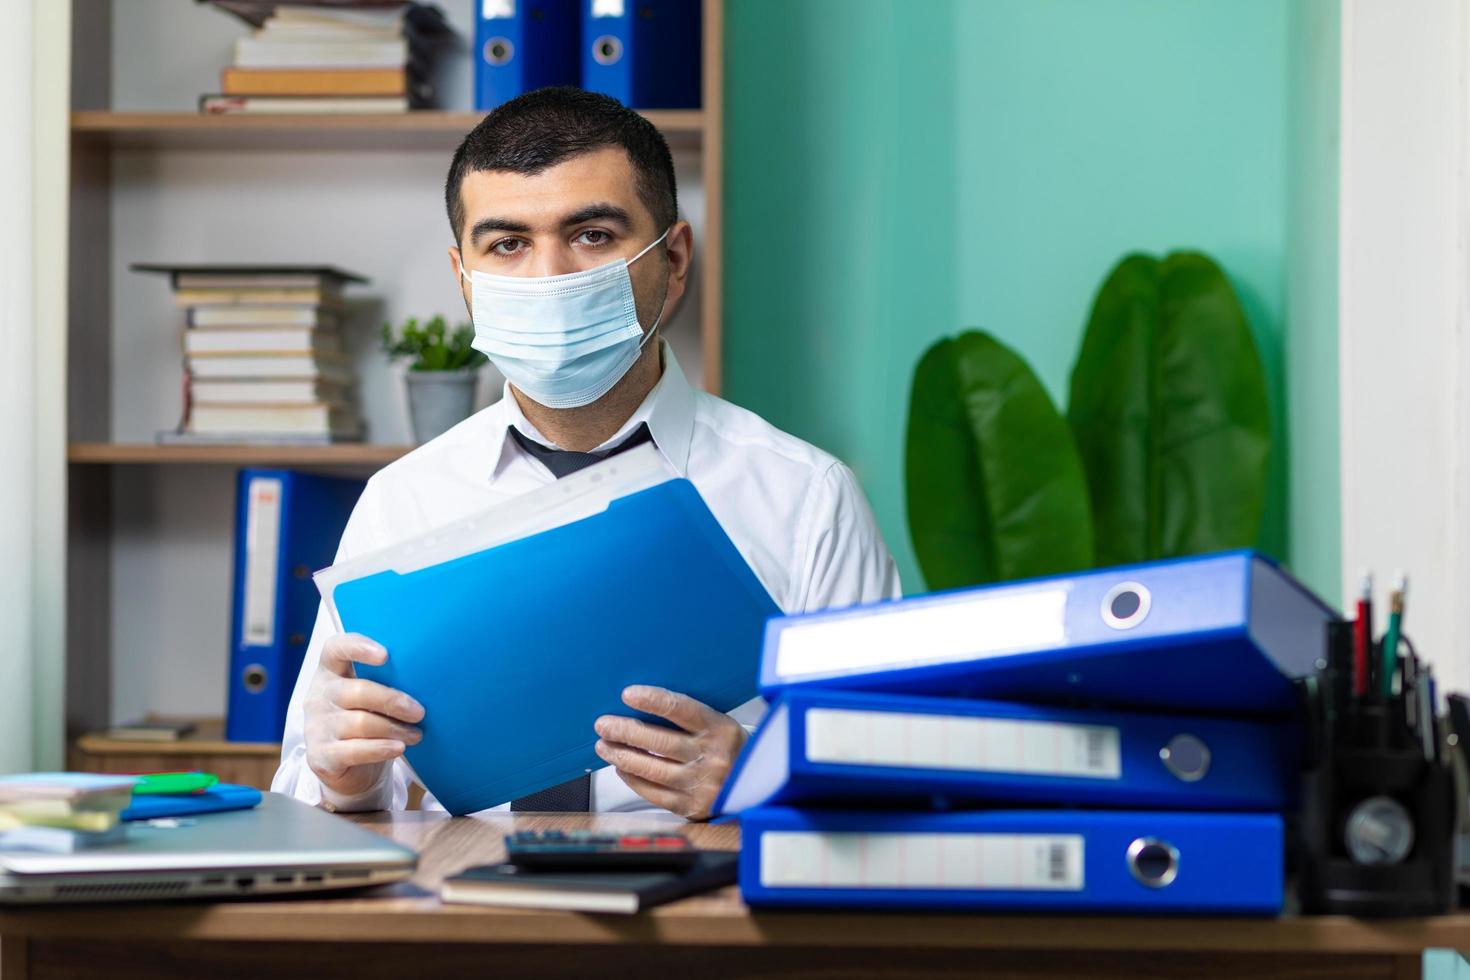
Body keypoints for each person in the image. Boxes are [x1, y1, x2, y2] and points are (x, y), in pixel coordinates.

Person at [272, 87, 899, 820]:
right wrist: (343, 777)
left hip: (706, 918)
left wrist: (761, 781)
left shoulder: (804, 498)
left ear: (674, 258)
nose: (550, 276)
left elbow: (882, 785)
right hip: (462, 914)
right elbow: (299, 796)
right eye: (507, 244)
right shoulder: (401, 501)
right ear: (463, 278)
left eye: (593, 235)